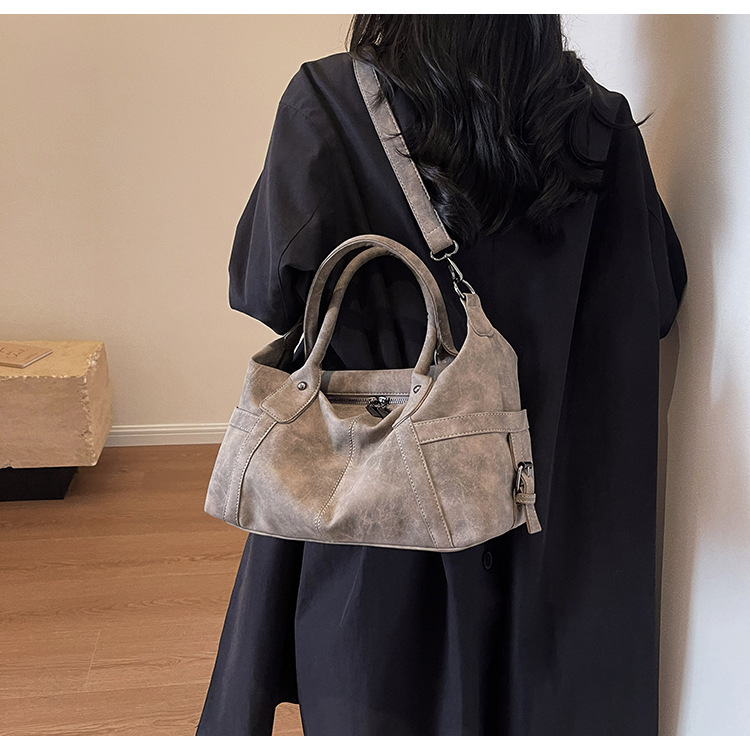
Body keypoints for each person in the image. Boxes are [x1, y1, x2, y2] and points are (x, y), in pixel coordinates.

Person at [196, 15, 687, 736]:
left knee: (382, 696)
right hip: (553, 519)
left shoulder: (330, 101)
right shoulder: (599, 125)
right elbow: (657, 299)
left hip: (388, 521)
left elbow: (263, 289)